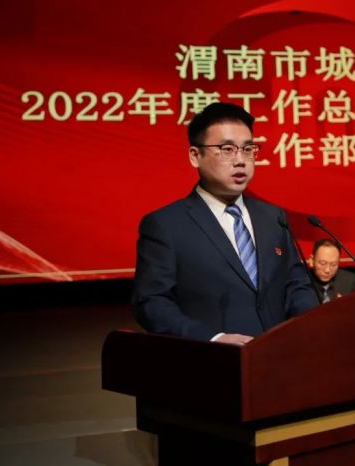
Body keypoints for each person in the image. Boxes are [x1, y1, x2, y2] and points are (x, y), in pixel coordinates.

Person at [132, 102, 318, 345]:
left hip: (280, 356)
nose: (240, 160)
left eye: (248, 149)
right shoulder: (165, 225)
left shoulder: (273, 217)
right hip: (212, 360)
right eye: (227, 149)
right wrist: (212, 339)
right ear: (195, 156)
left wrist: (311, 325)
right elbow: (151, 302)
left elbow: (297, 284)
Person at [308, 238, 355, 303]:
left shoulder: (350, 281)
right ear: (312, 260)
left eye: (333, 264)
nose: (327, 270)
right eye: (322, 263)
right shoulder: (302, 282)